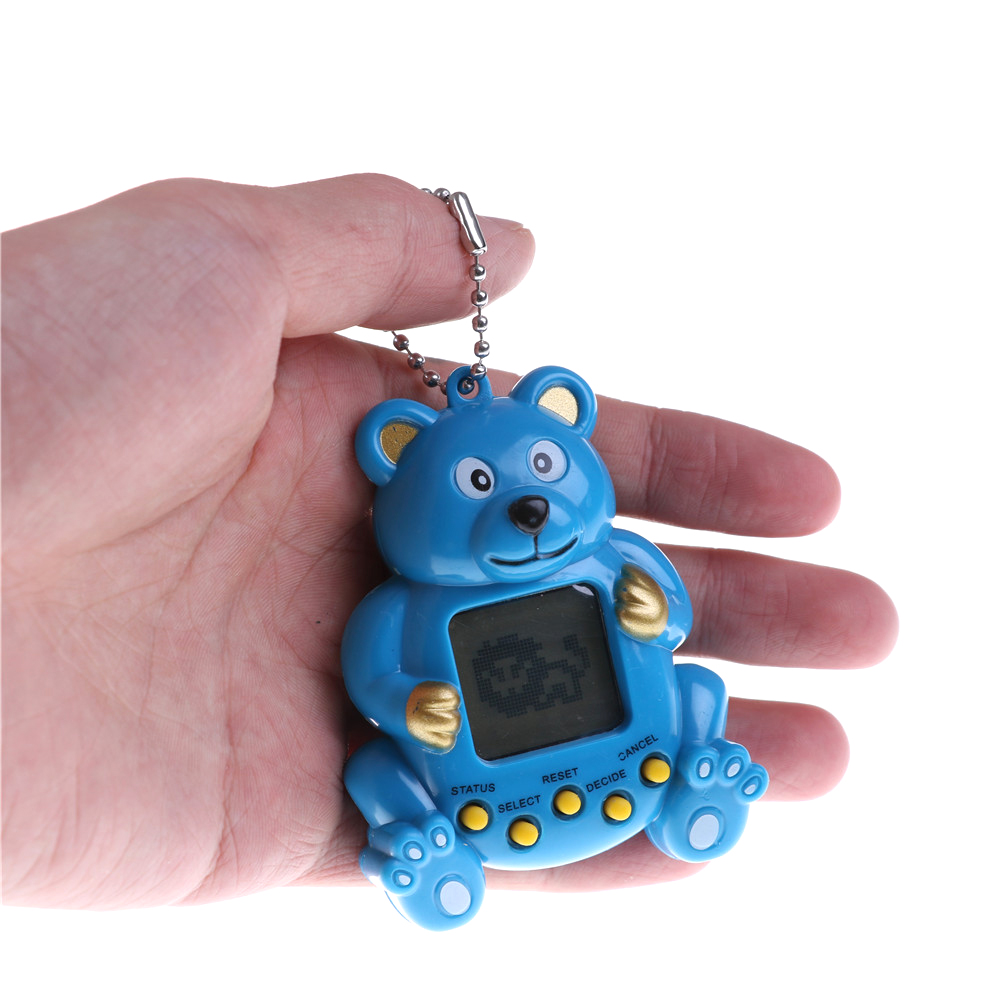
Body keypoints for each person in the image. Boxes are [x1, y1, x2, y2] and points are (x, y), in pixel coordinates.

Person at [1, 173, 897, 908]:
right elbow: (375, 676)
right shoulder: (405, 606)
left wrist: (651, 611)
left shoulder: (613, 561)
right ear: (393, 456)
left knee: (699, 685)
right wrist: (404, 701)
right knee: (377, 768)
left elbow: (670, 627)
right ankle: (423, 850)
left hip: (632, 759)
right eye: (478, 486)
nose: (527, 506)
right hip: (477, 801)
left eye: (542, 471)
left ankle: (691, 783)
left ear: (567, 420)